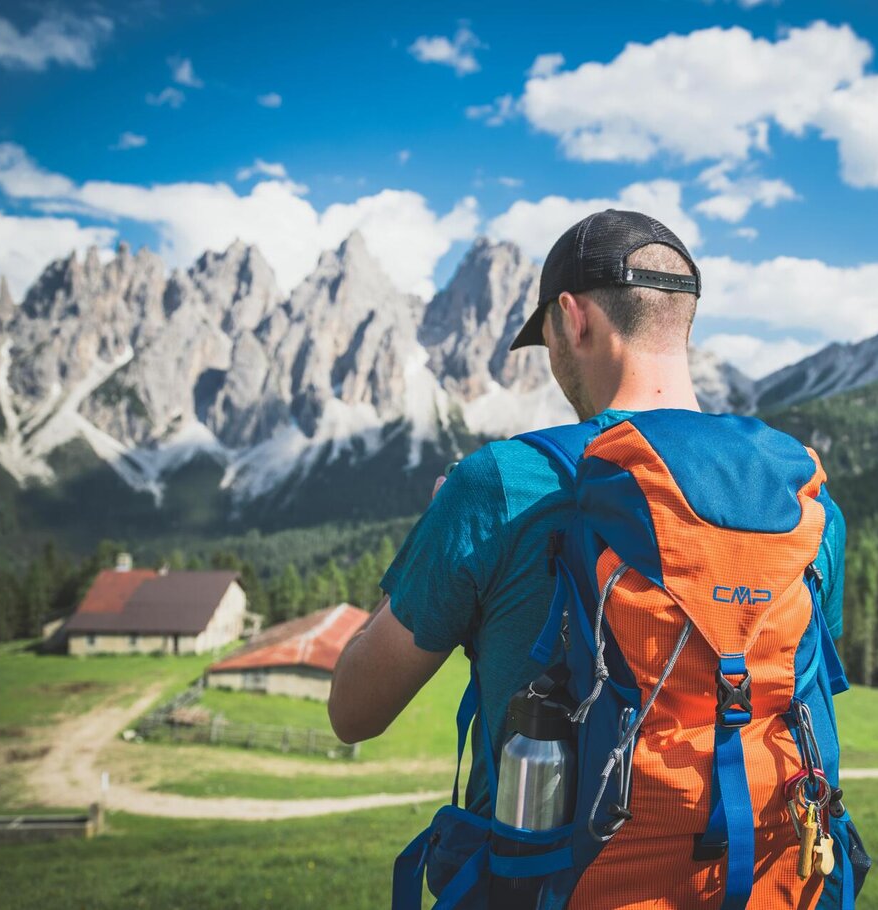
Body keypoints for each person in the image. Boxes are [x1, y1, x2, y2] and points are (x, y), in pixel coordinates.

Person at [328, 209, 850, 904]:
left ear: (572, 319)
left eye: (545, 334)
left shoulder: (500, 484)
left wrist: (437, 536)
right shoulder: (806, 503)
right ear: (682, 318)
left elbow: (353, 711)